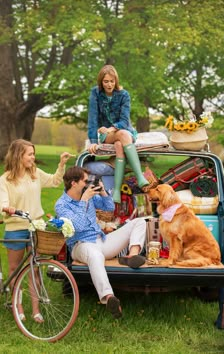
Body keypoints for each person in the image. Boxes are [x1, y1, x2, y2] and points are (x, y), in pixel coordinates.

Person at [55, 166, 146, 319]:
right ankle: (109, 297)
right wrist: (84, 201)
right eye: (85, 181)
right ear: (73, 183)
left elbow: (109, 208)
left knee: (139, 222)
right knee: (95, 256)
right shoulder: (62, 204)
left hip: (101, 240)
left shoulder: (88, 194)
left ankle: (132, 256)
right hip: (81, 244)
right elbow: (77, 226)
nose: (88, 183)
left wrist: (103, 191)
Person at [0, 139, 74, 323]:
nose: (33, 158)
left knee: (35, 268)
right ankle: (17, 306)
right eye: (30, 154)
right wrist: (7, 208)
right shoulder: (5, 179)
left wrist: (62, 164)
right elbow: (2, 203)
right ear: (19, 155)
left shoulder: (35, 174)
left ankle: (36, 310)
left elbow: (55, 181)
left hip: (35, 227)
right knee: (15, 270)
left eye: (34, 154)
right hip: (16, 228)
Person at [87, 64, 149, 203]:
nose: (109, 84)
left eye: (112, 81)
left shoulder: (123, 95)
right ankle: (140, 177)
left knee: (120, 144)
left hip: (124, 129)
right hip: (107, 135)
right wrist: (93, 142)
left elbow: (124, 120)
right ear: (101, 82)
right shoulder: (95, 94)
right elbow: (92, 119)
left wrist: (111, 128)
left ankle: (116, 192)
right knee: (123, 135)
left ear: (116, 81)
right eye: (106, 81)